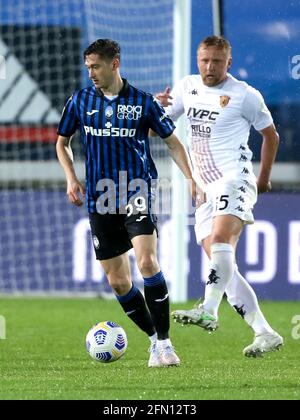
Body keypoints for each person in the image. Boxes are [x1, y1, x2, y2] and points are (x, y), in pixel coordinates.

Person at [56, 39, 196, 367]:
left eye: (96, 66)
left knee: (147, 262)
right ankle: (152, 341)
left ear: (114, 64)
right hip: (100, 196)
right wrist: (71, 178)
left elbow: (174, 144)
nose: (90, 73)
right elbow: (62, 143)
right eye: (87, 67)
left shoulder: (143, 103)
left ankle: (165, 343)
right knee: (118, 281)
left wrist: (191, 179)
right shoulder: (79, 100)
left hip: (136, 189)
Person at [157, 35, 283, 358]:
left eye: (216, 61)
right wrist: (154, 110)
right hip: (203, 188)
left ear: (229, 62)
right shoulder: (187, 87)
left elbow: (271, 135)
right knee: (222, 265)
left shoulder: (244, 96)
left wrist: (263, 178)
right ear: (197, 60)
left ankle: (208, 310)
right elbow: (156, 127)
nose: (209, 67)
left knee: (221, 238)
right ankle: (265, 332)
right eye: (204, 60)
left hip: (234, 179)